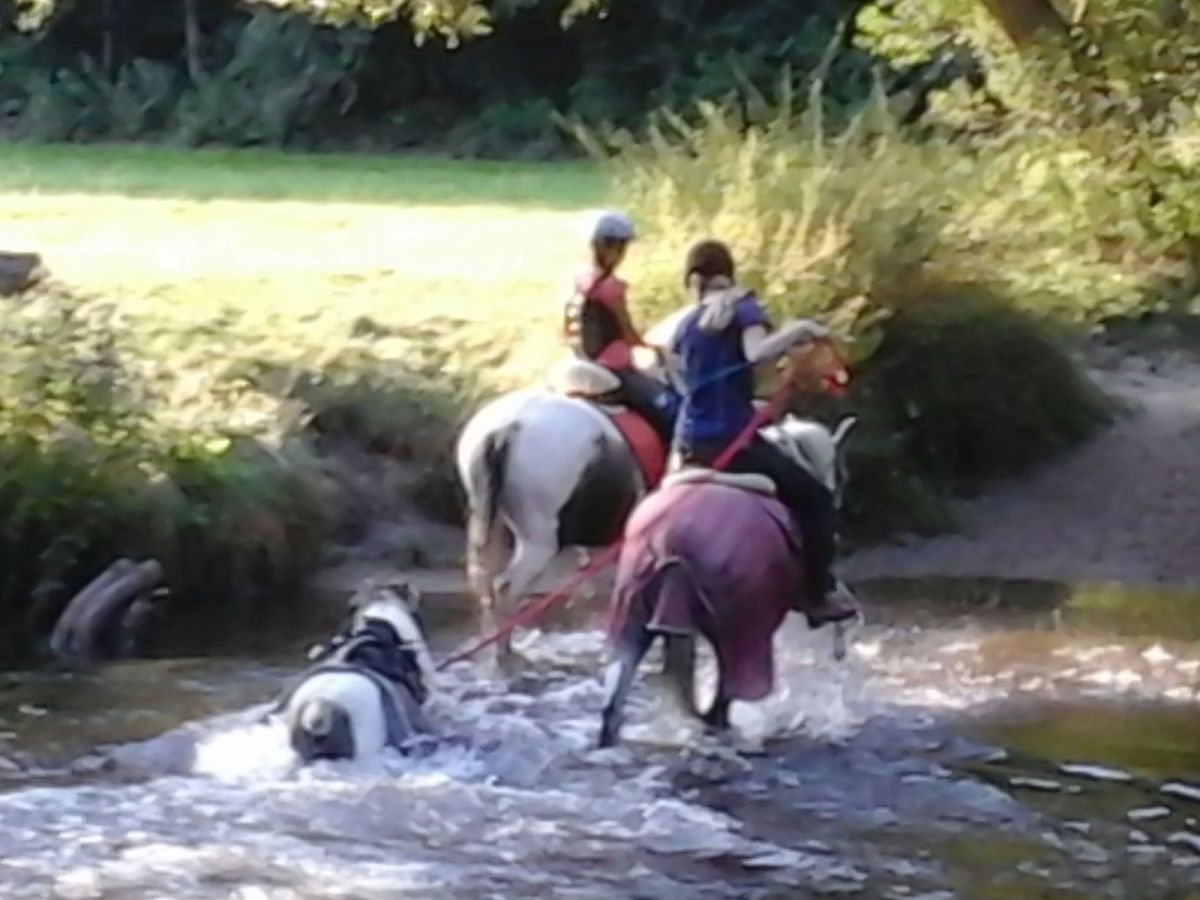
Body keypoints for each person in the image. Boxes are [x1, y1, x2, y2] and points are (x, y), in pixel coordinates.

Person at [668, 239, 857, 628]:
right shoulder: (745, 309)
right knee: (817, 499)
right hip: (733, 445)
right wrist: (799, 329)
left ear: (695, 279)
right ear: (728, 274)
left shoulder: (685, 326)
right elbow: (756, 354)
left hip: (689, 446)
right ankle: (817, 593)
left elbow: (689, 380)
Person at [563, 210, 678, 441]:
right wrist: (652, 347)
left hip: (580, 361)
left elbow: (566, 328)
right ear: (610, 248)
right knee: (670, 409)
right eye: (621, 248)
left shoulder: (578, 281)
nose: (622, 254)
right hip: (612, 366)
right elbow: (626, 333)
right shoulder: (610, 288)